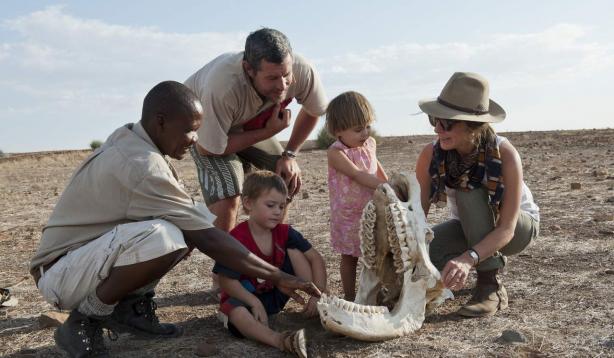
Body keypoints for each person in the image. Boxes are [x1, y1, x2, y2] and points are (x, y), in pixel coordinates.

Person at [29, 81, 321, 358]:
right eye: (189, 131)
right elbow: (207, 238)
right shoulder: (142, 165)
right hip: (61, 271)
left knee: (184, 225)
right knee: (165, 237)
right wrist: (278, 276)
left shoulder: (133, 136)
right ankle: (85, 320)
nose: (195, 140)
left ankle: (129, 308)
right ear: (160, 122)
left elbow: (200, 225)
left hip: (80, 261)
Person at [415, 72, 540, 317]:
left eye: (447, 123)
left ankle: (489, 286)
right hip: (467, 227)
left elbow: (507, 228)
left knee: (467, 190)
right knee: (423, 256)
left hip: (516, 229)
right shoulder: (431, 155)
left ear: (471, 125)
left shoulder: (504, 153)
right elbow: (418, 216)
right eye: (434, 120)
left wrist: (468, 258)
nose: (438, 129)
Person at [184, 27, 327, 232]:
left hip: (245, 126)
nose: (282, 85)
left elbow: (314, 111)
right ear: (249, 69)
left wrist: (289, 154)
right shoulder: (222, 86)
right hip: (207, 131)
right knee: (229, 187)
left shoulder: (302, 69)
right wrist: (267, 133)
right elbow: (209, 148)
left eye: (286, 75)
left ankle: (266, 250)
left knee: (283, 177)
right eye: (272, 78)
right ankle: (228, 261)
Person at [214, 171, 327, 357]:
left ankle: (319, 302)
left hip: (276, 292)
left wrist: (319, 292)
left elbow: (315, 258)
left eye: (282, 206)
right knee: (237, 313)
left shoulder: (284, 232)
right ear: (248, 203)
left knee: (296, 250)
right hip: (245, 298)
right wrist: (254, 302)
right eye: (271, 205)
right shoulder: (236, 238)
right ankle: (280, 340)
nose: (278, 212)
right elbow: (225, 280)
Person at [325, 91, 388, 301]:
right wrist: (385, 186)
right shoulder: (336, 153)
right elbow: (357, 174)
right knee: (350, 257)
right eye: (358, 129)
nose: (365, 133)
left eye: (368, 126)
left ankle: (375, 292)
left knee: (377, 252)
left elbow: (375, 166)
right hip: (348, 214)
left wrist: (389, 183)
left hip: (371, 208)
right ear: (338, 131)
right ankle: (350, 297)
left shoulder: (370, 144)